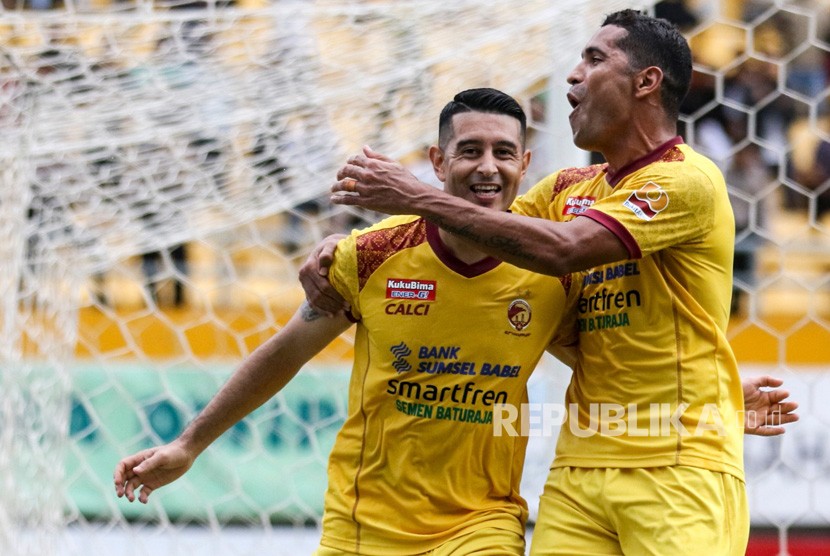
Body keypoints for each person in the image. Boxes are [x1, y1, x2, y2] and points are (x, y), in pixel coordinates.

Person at [310, 9, 786, 556]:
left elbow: (564, 251)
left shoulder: (687, 180)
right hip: (581, 468)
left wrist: (413, 194)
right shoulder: (566, 189)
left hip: (676, 463)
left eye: (594, 58)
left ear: (647, 82)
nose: (572, 74)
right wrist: (350, 247)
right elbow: (476, 222)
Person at [115, 88, 582, 556]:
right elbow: (285, 354)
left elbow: (600, 359)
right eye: (469, 150)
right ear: (437, 163)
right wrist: (188, 444)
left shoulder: (552, 271)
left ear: (524, 164)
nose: (487, 166)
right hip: (364, 522)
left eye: (502, 152)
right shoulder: (372, 255)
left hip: (484, 522)